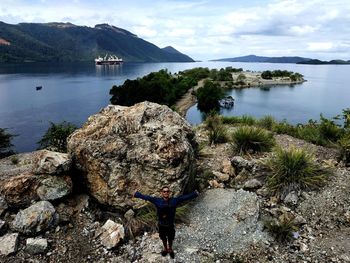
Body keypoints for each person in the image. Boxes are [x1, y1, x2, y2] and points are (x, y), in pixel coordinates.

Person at [133, 186, 199, 258]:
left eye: (167, 191)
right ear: (161, 193)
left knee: (170, 238)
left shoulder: (174, 201)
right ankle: (165, 248)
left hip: (170, 224)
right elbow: (148, 198)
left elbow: (184, 198)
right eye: (164, 191)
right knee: (163, 238)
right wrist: (137, 194)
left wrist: (195, 194)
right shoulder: (157, 200)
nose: (166, 193)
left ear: (169, 193)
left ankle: (170, 249)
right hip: (161, 225)